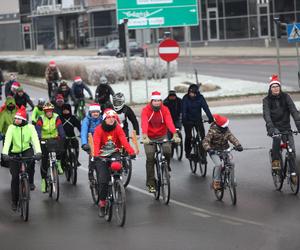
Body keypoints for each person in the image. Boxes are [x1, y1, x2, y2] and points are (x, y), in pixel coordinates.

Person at [93, 108, 135, 217]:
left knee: (116, 166)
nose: (111, 119)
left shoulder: (117, 128)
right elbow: (96, 143)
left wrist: (131, 151)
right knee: (103, 180)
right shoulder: (99, 129)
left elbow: (124, 141)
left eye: (113, 117)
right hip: (101, 155)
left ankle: (117, 184)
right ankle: (102, 203)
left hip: (114, 153)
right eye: (108, 117)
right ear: (104, 119)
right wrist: (96, 155)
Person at [1, 107, 42, 210]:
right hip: (14, 152)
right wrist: (4, 153)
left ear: (23, 120)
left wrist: (38, 152)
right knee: (15, 177)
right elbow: (7, 142)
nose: (15, 120)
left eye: (18, 119)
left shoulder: (30, 127)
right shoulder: (11, 128)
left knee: (32, 160)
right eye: (15, 118)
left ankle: (29, 182)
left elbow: (35, 140)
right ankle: (14, 201)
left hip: (26, 150)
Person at [141, 91, 181, 193]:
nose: (157, 102)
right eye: (155, 100)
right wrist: (145, 135)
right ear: (151, 101)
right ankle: (151, 183)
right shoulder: (146, 110)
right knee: (150, 157)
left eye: (159, 100)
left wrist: (174, 133)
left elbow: (169, 122)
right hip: (149, 137)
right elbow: (144, 122)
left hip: (162, 135)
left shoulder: (165, 109)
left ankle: (166, 166)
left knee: (167, 150)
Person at [263, 74, 300, 176]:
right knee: (277, 137)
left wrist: (299, 125)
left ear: (280, 87)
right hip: (273, 127)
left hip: (286, 127)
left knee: (292, 151)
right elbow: (267, 115)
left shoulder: (286, 97)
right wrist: (271, 128)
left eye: (277, 86)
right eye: (273, 87)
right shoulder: (266, 100)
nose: (275, 88)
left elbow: (294, 111)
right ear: (270, 89)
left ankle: (293, 173)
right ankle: (275, 161)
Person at [203, 114, 243, 190]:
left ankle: (231, 178)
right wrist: (209, 149)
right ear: (219, 125)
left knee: (231, 163)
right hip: (214, 151)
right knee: (218, 164)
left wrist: (238, 145)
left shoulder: (226, 130)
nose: (226, 127)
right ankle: (216, 182)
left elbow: (232, 137)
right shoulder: (213, 130)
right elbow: (205, 141)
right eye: (224, 126)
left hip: (224, 149)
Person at [35, 102, 65, 193]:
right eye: (47, 111)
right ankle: (44, 181)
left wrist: (62, 135)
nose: (49, 113)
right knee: (44, 160)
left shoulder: (56, 117)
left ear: (52, 111)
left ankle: (58, 163)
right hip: (44, 139)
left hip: (54, 138)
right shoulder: (41, 118)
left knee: (61, 148)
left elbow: (60, 127)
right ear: (44, 111)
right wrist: (39, 137)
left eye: (50, 111)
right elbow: (38, 129)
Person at [182, 84, 214, 161]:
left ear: (196, 93)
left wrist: (210, 118)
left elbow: (206, 108)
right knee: (188, 136)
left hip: (198, 120)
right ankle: (188, 152)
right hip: (188, 120)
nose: (190, 94)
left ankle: (202, 153)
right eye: (189, 92)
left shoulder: (200, 98)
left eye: (192, 93)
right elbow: (183, 110)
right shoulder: (185, 98)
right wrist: (184, 119)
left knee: (202, 136)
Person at [81, 103, 103, 180]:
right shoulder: (86, 120)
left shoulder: (102, 119)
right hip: (91, 142)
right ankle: (91, 171)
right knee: (93, 157)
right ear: (90, 112)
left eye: (97, 112)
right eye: (93, 112)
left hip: (101, 141)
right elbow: (83, 132)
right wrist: (84, 144)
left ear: (99, 112)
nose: (95, 113)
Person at [0, 96, 17, 167]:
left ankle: (14, 160)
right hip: (6, 134)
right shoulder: (4, 113)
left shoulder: (17, 112)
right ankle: (5, 162)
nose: (11, 106)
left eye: (12, 105)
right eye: (9, 105)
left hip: (16, 133)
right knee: (6, 148)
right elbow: (1, 123)